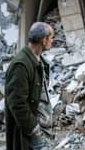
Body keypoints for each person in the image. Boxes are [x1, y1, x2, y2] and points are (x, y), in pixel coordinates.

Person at [5, 22, 54, 150]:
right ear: (44, 40)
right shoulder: (21, 65)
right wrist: (34, 130)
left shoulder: (37, 60)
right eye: (51, 38)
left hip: (42, 130)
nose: (52, 41)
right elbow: (17, 103)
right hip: (31, 134)